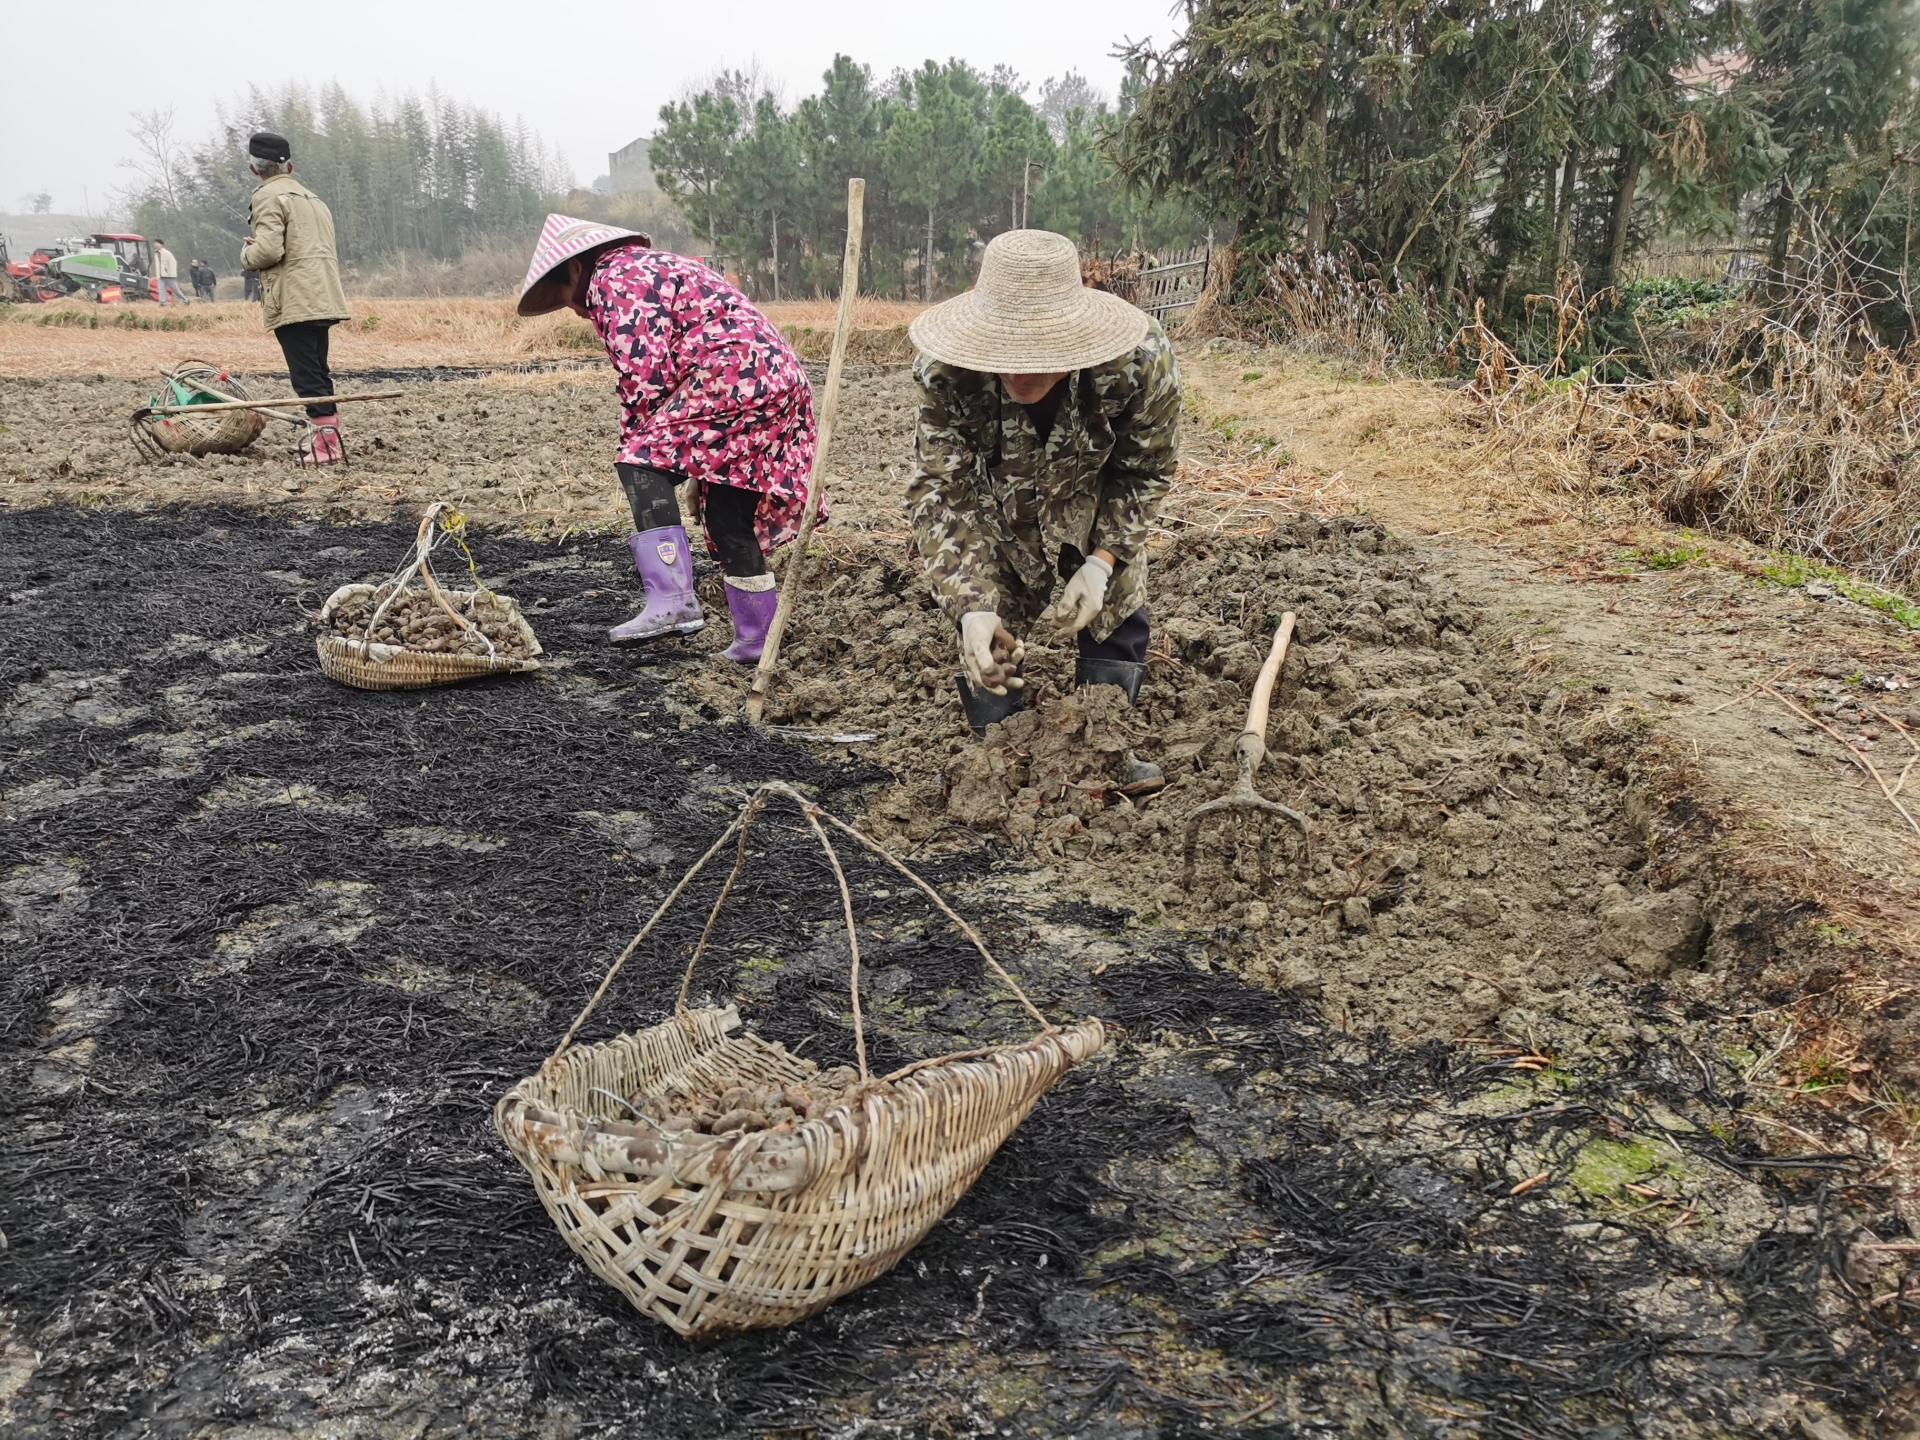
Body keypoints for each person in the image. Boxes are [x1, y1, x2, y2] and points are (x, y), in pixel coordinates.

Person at [904, 228, 1180, 795]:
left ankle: (1105, 744)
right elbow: (942, 490)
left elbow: (1144, 471)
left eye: (1037, 357)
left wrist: (1102, 562)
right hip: (999, 504)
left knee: (1119, 605)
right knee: (989, 627)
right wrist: (972, 607)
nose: (1018, 373)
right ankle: (998, 753)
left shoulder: (1137, 364)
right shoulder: (947, 372)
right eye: (1004, 356)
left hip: (1095, 491)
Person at [515, 214, 818, 662]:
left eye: (565, 297)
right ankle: (757, 643)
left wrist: (650, 452)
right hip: (777, 381)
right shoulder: (655, 267)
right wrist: (698, 466)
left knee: (638, 459)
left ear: (576, 269)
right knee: (726, 513)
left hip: (733, 377)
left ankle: (673, 601)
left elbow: (645, 384)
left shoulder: (614, 279)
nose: (577, 311)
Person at [240, 132, 351, 465]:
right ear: (289, 166)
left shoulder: (266, 197)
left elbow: (271, 249)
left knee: (306, 376)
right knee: (318, 371)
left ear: (253, 168)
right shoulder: (312, 198)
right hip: (323, 294)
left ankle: (326, 448)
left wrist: (247, 254)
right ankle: (325, 439)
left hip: (295, 299)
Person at [152, 239, 185, 304]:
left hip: (169, 276)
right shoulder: (156, 254)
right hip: (161, 276)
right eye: (155, 243)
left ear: (162, 245)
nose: (155, 244)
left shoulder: (167, 253)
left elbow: (173, 263)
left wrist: (170, 273)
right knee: (161, 290)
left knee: (175, 290)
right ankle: (162, 303)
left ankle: (185, 300)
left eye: (157, 243)